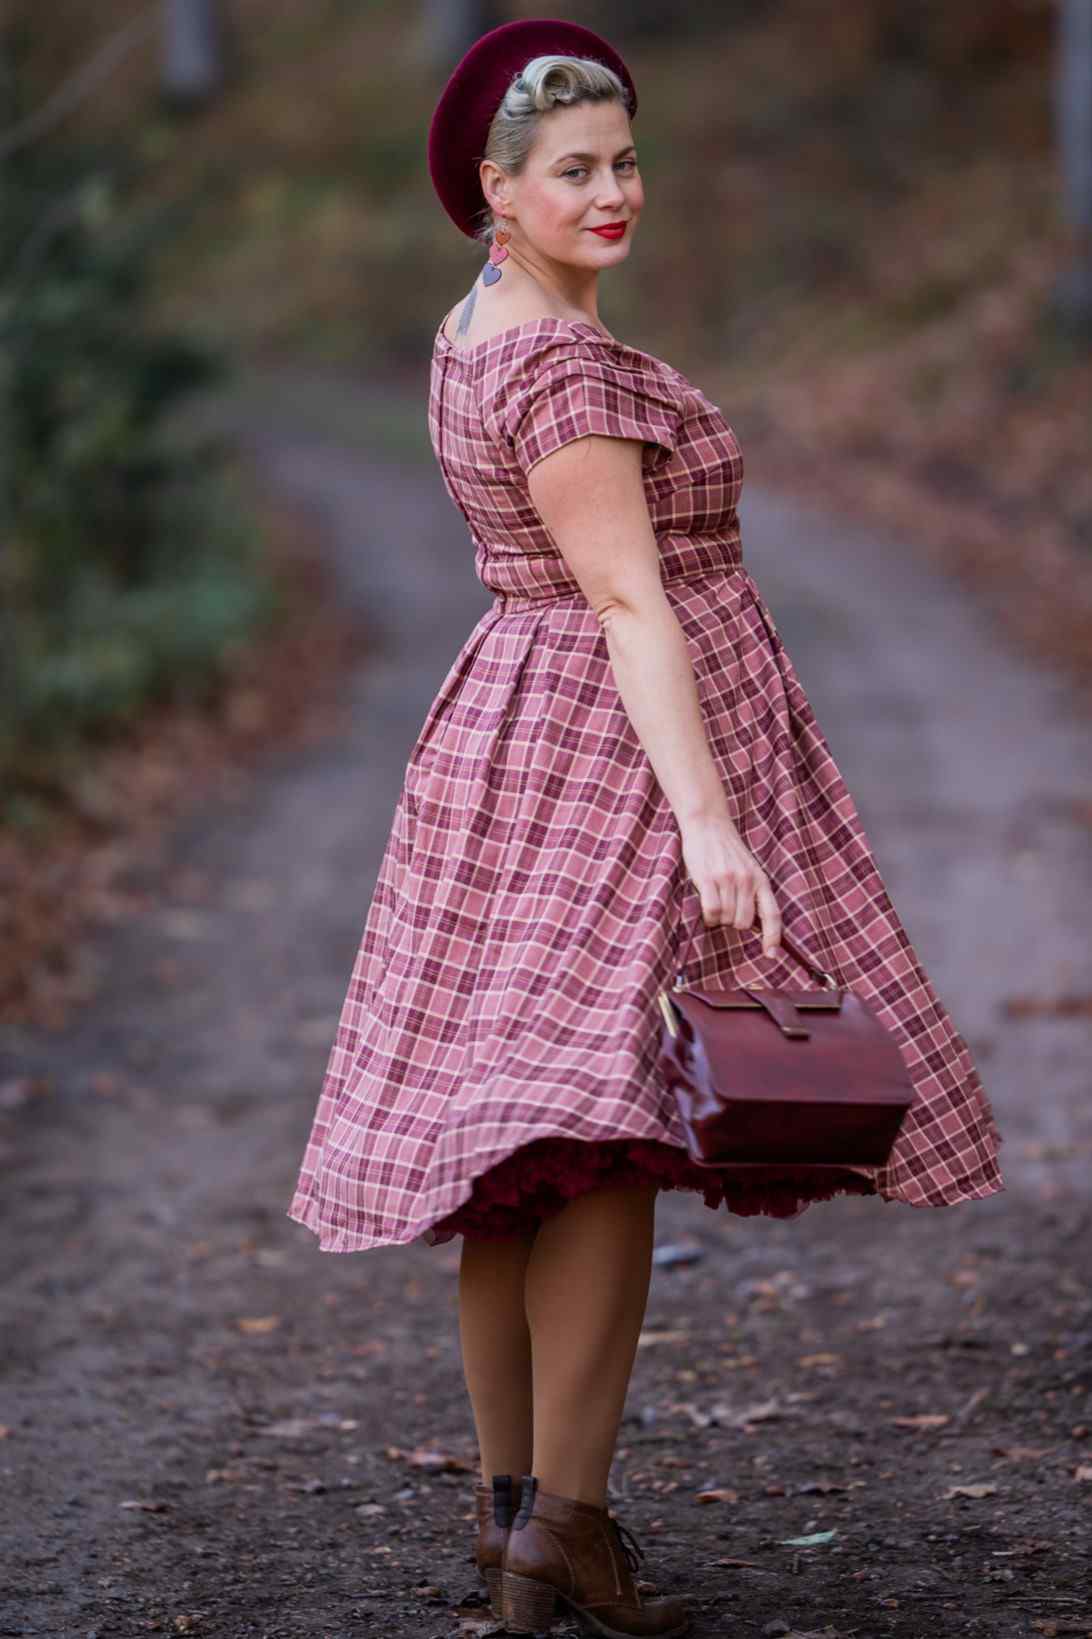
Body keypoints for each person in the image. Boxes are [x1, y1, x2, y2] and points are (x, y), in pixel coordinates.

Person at [287, 18, 1004, 1637]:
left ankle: (506, 1514)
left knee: (516, 1145)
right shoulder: (560, 365)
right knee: (598, 1137)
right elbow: (626, 596)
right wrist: (710, 827)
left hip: (508, 734)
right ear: (497, 189)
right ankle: (571, 1526)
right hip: (609, 753)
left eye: (625, 161)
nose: (614, 191)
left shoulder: (477, 328)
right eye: (574, 170)